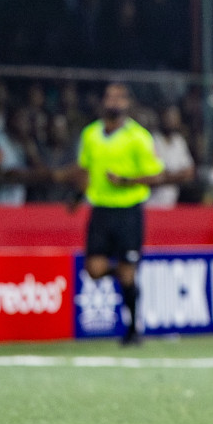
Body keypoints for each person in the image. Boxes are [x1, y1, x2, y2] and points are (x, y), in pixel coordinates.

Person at [73, 83, 165, 345]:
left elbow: (157, 175)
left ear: (127, 103)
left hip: (128, 211)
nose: (114, 102)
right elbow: (85, 170)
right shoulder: (90, 134)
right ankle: (126, 275)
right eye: (109, 96)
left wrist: (126, 181)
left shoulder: (138, 137)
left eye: (119, 97)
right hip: (100, 209)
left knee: (127, 272)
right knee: (94, 268)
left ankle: (133, 330)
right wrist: (77, 197)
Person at [146, 104, 196, 208]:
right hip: (151, 204)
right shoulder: (151, 140)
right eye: (168, 117)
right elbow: (154, 175)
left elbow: (189, 172)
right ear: (162, 117)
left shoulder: (179, 141)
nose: (171, 121)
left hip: (172, 203)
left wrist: (166, 177)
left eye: (174, 118)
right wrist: (177, 176)